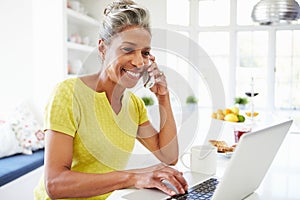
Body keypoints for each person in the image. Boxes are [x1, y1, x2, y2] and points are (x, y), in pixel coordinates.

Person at [34, 0, 188, 199]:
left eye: (145, 52)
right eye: (128, 49)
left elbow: (169, 156)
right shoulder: (67, 94)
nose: (139, 61)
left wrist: (163, 97)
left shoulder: (134, 105)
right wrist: (133, 177)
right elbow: (55, 184)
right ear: (103, 48)